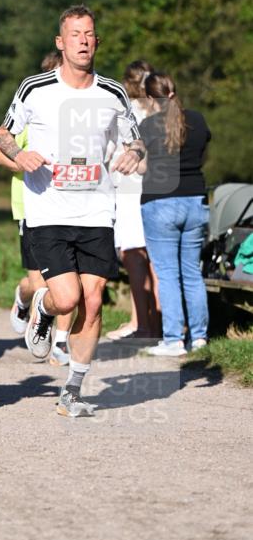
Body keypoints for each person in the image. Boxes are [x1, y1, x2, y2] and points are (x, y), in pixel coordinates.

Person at [0, 5, 145, 418]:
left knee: (93, 302)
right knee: (67, 298)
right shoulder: (35, 88)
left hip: (96, 209)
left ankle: (73, 391)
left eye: (89, 34)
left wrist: (134, 153)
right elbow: (2, 134)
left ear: (97, 42)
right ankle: (44, 309)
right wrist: (20, 155)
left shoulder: (113, 93)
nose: (83, 40)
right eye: (75, 34)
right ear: (60, 42)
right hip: (48, 209)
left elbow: (136, 140)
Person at [0, 53, 73, 366]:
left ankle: (61, 342)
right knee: (38, 283)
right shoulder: (31, 113)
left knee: (68, 277)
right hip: (31, 207)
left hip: (68, 206)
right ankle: (23, 299)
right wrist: (24, 162)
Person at [138, 72, 211, 356]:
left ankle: (173, 340)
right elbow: (203, 155)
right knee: (192, 272)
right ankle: (199, 337)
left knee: (168, 274)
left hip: (160, 203)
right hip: (195, 200)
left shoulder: (148, 126)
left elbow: (143, 167)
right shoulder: (198, 120)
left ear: (149, 98)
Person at [108, 60, 161, 340]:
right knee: (156, 260)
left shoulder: (124, 110)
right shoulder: (159, 109)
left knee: (133, 258)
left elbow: (110, 151)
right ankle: (159, 324)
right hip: (157, 189)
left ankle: (142, 324)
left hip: (130, 190)